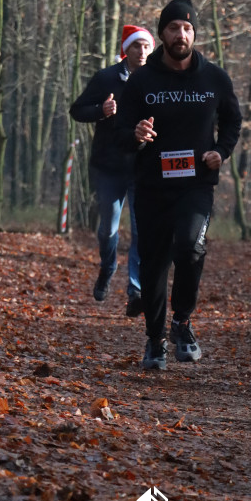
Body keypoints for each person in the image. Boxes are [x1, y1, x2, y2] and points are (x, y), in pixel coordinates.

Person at [117, 0, 242, 371]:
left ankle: (182, 322)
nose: (181, 34)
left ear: (194, 35)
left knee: (190, 248)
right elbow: (120, 131)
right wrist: (136, 135)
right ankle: (155, 340)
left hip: (196, 184)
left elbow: (233, 121)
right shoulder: (141, 81)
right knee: (153, 264)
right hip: (152, 185)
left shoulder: (214, 77)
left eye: (187, 28)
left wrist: (222, 150)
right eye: (174, 28)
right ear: (162, 34)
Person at [70, 25, 155, 316]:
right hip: (109, 167)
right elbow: (77, 110)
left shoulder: (158, 80)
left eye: (146, 47)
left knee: (141, 232)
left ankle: (135, 290)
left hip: (144, 168)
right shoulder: (106, 78)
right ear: (126, 49)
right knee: (108, 230)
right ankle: (108, 267)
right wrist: (101, 111)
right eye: (136, 46)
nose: (141, 52)